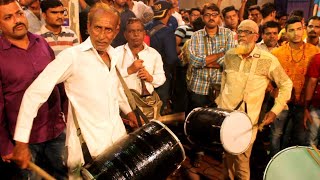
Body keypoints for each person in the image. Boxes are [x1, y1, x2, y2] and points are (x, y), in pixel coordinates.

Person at [12, 2, 137, 177]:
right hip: (88, 149)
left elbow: (114, 87)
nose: (101, 36)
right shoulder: (72, 57)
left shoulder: (114, 55)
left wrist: (128, 111)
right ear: (88, 27)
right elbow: (34, 94)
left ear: (116, 31)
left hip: (117, 140)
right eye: (97, 28)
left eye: (108, 30)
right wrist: (21, 141)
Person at [215, 19, 293, 180]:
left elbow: (286, 84)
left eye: (247, 32)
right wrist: (219, 107)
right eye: (240, 31)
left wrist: (274, 110)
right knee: (226, 159)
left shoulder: (267, 59)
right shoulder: (230, 55)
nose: (242, 35)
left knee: (242, 163)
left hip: (247, 122)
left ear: (256, 36)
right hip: (226, 117)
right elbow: (224, 82)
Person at [0, 0, 67, 179]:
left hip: (56, 131)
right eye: (8, 17)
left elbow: (58, 84)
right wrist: (5, 145)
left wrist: (65, 116)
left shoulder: (42, 43)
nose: (17, 20)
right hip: (25, 140)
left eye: (19, 13)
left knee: (63, 175)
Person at [188, 2, 235, 167]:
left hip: (221, 88)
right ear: (203, 17)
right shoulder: (196, 36)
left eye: (214, 14)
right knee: (198, 121)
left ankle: (218, 153)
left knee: (220, 122)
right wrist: (221, 55)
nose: (211, 18)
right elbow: (194, 61)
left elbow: (230, 61)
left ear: (219, 17)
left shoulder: (228, 35)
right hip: (199, 86)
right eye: (207, 15)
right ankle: (199, 152)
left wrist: (207, 60)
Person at [272, 16, 319, 155]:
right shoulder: (277, 53)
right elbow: (267, 79)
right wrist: (273, 92)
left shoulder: (314, 52)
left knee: (298, 137)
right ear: (285, 32)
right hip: (282, 102)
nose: (296, 33)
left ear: (303, 30)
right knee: (276, 135)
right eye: (291, 30)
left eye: (299, 29)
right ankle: (273, 165)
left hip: (303, 104)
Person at [115, 17, 165, 117]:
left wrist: (150, 78)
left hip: (148, 104)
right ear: (125, 34)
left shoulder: (154, 54)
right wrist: (129, 70)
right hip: (123, 105)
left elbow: (162, 78)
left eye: (139, 30)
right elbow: (109, 78)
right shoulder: (116, 53)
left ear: (144, 33)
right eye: (131, 31)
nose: (136, 34)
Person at [145, 1, 178, 115]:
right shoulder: (167, 31)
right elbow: (171, 58)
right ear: (169, 12)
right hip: (161, 74)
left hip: (144, 72)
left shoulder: (146, 27)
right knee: (158, 109)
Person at [304, 53, 320, 146]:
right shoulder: (318, 58)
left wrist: (306, 107)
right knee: (312, 140)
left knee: (312, 141)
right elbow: (312, 83)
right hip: (317, 105)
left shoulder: (318, 58)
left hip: (316, 105)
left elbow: (312, 83)